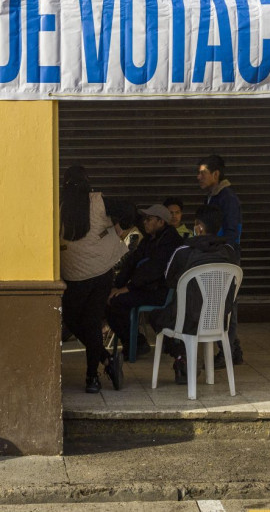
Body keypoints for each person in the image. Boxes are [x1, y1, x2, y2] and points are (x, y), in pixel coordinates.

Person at [57, 166, 130, 394]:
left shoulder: (57, 204)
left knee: (72, 319)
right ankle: (93, 377)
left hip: (74, 274)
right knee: (92, 323)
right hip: (101, 272)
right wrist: (118, 228)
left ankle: (105, 362)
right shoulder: (98, 201)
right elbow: (130, 208)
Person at [151, 205, 241, 384]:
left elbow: (168, 279)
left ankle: (181, 356)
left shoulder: (183, 250)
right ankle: (185, 358)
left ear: (198, 227)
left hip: (186, 321)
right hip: (218, 321)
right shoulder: (230, 252)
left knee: (156, 317)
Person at [105, 203, 182, 365]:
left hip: (160, 291)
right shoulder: (149, 240)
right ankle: (133, 341)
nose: (145, 222)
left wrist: (128, 288)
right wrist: (117, 285)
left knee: (117, 302)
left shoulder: (170, 241)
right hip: (145, 288)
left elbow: (153, 270)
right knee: (108, 298)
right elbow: (131, 263)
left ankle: (136, 343)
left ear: (161, 222)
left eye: (149, 219)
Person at [196, 154, 244, 364]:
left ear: (216, 174)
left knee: (227, 305)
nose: (198, 177)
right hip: (215, 256)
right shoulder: (212, 196)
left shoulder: (228, 198)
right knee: (220, 305)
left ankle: (227, 353)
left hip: (225, 258)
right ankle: (232, 350)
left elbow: (233, 233)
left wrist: (219, 250)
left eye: (203, 173)